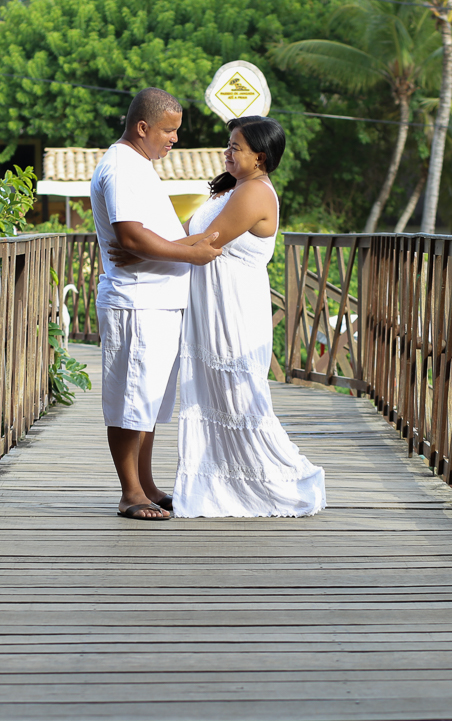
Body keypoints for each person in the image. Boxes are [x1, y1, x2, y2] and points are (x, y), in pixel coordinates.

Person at [115, 116, 325, 517]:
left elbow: (209, 242)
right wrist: (147, 243)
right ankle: (216, 484)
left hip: (233, 311)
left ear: (260, 157)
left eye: (235, 148)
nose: (227, 153)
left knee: (238, 395)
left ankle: (268, 481)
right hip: (213, 306)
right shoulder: (232, 189)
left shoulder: (255, 193)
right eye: (228, 145)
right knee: (214, 394)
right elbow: (186, 232)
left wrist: (142, 249)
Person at [90, 88, 223, 521]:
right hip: (137, 302)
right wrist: (191, 253)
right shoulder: (122, 167)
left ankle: (145, 484)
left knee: (146, 403)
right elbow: (130, 236)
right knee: (130, 400)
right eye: (168, 131)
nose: (174, 139)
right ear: (142, 127)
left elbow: (150, 238)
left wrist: (181, 245)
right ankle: (130, 492)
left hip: (156, 302)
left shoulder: (139, 164)